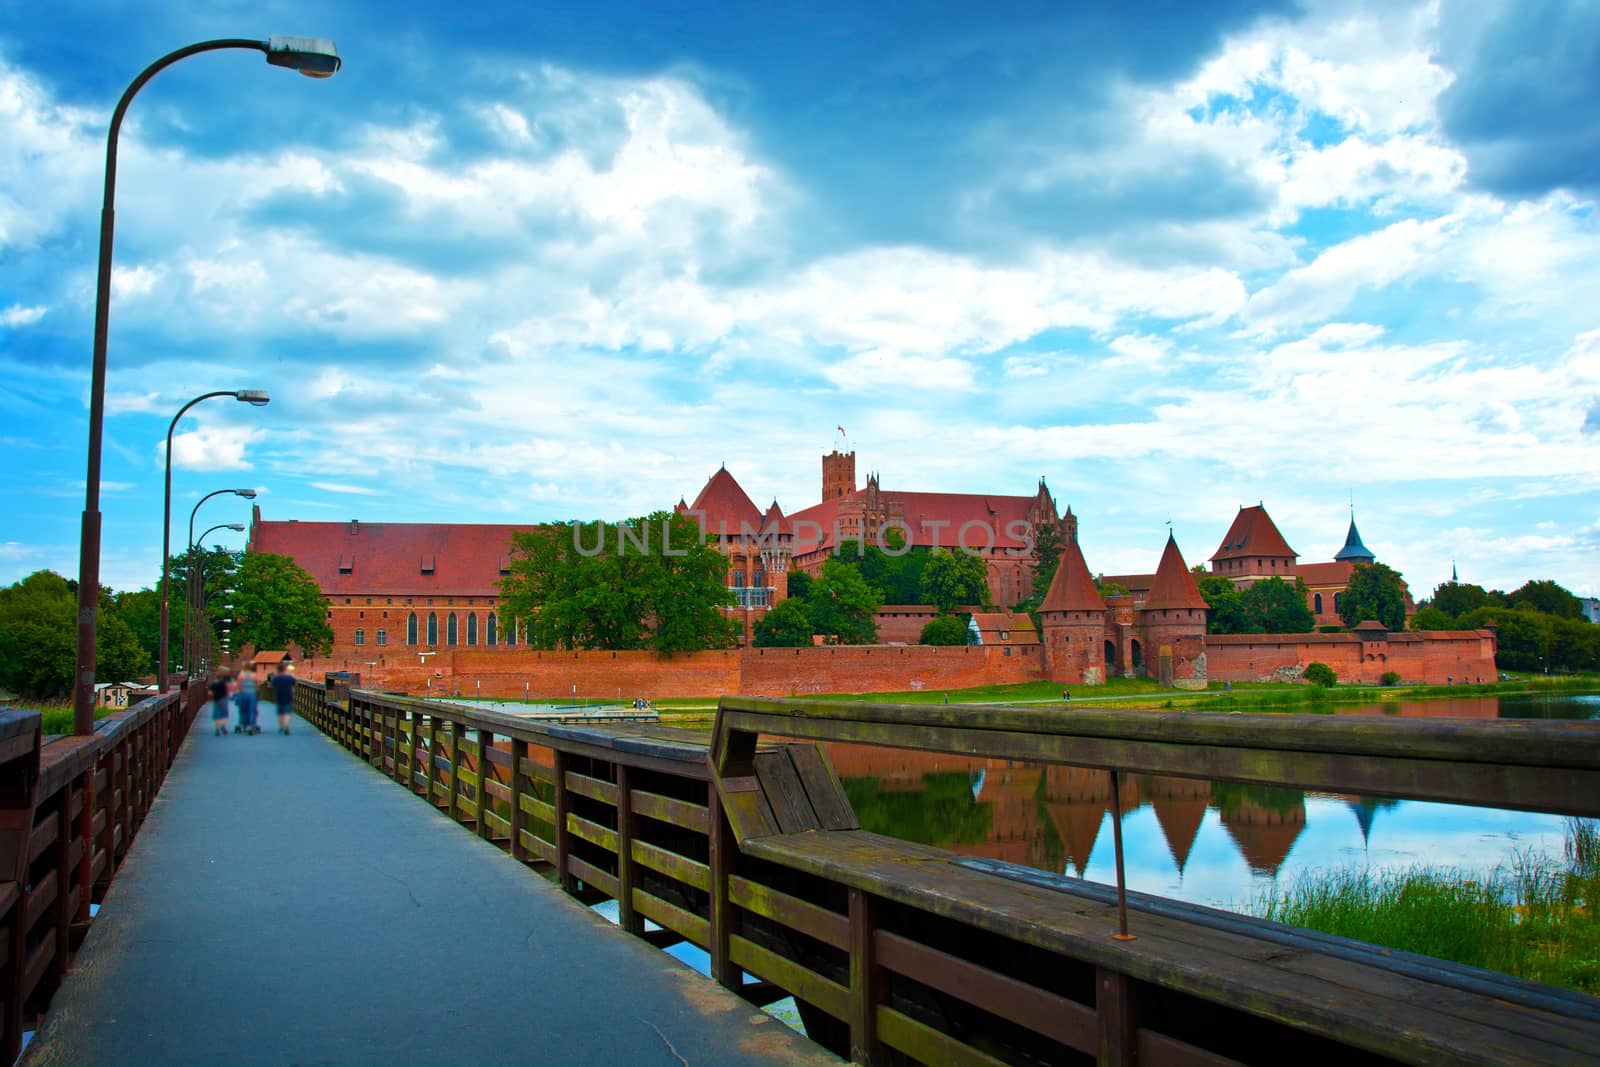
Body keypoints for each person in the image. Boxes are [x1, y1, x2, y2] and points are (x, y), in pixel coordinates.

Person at [270, 661, 296, 735]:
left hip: (279, 695)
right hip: (288, 695)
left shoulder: (276, 678)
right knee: (287, 711)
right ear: (284, 669)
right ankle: (286, 725)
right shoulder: (289, 677)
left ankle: (281, 726)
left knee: (280, 712)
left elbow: (272, 685)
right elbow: (294, 683)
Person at [234, 667, 259, 735]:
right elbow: (257, 684)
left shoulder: (241, 675)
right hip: (252, 694)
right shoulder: (254, 675)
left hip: (243, 694)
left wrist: (241, 691)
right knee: (252, 710)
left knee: (243, 710)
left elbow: (238, 685)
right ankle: (250, 726)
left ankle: (243, 725)